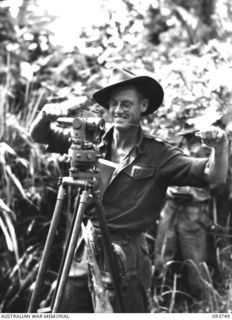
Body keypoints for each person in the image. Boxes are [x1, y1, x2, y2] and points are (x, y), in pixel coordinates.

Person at [29, 68, 228, 313]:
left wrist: (220, 147)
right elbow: (39, 135)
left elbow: (212, 176)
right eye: (113, 104)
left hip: (127, 258)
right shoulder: (91, 138)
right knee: (66, 310)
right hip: (85, 248)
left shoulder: (160, 154)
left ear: (143, 106)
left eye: (126, 104)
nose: (118, 111)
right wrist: (45, 117)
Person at [154, 130, 219, 302]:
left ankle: (204, 305)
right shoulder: (174, 148)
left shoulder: (208, 151)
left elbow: (216, 179)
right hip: (171, 207)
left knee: (196, 263)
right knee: (162, 257)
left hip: (193, 210)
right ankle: (159, 299)